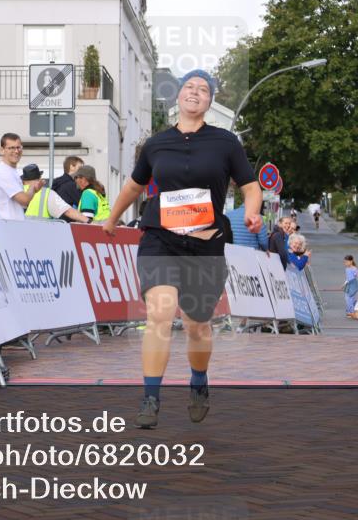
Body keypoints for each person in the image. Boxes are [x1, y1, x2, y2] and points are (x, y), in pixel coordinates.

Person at [101, 68, 263, 429]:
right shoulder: (156, 144)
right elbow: (132, 187)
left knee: (197, 326)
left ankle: (199, 382)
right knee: (158, 314)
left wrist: (252, 214)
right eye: (189, 87)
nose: (195, 92)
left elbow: (251, 186)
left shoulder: (226, 142)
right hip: (160, 237)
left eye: (203, 89)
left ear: (209, 101)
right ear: (178, 96)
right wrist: (111, 220)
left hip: (205, 243)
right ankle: (150, 398)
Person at [0, 133, 43, 220]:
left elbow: (21, 205)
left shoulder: (12, 172)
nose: (16, 151)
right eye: (11, 148)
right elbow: (24, 200)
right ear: (2, 150)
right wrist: (33, 186)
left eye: (18, 147)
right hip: (6, 229)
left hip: (11, 227)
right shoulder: (3, 172)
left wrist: (33, 190)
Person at [21, 164, 90, 222]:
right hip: (40, 235)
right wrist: (88, 221)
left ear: (23, 180)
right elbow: (68, 211)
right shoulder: (46, 193)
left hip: (16, 235)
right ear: (40, 177)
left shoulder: (16, 192)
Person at [52, 155, 84, 220]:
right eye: (80, 167)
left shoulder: (58, 183)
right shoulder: (72, 185)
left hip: (57, 220)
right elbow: (83, 202)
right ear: (72, 167)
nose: (82, 171)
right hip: (68, 222)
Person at [342, 255, 358, 319]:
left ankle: (351, 311)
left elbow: (357, 275)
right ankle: (350, 310)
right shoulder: (347, 269)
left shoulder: (354, 269)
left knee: (349, 298)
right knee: (348, 298)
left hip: (353, 284)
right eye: (344, 262)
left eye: (347, 262)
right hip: (348, 284)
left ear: (351, 261)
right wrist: (344, 284)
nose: (345, 263)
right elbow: (348, 278)